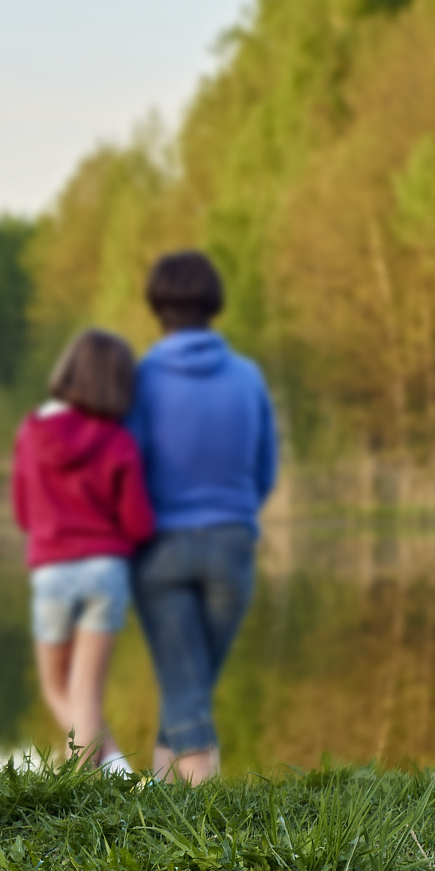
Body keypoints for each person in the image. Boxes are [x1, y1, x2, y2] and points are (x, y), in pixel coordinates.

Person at [124, 250, 279, 784]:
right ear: (213, 305)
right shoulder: (249, 377)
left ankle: (202, 823)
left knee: (186, 689)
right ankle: (166, 806)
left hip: (161, 550)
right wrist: (231, 517)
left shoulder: (141, 378)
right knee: (188, 686)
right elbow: (265, 468)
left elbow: (128, 468)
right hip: (232, 549)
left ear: (157, 307)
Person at [11, 328, 154, 773]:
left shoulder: (32, 433)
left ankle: (93, 778)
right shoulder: (118, 441)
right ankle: (115, 773)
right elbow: (138, 523)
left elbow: (22, 512)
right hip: (105, 572)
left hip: (52, 570)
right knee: (85, 692)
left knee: (57, 686)